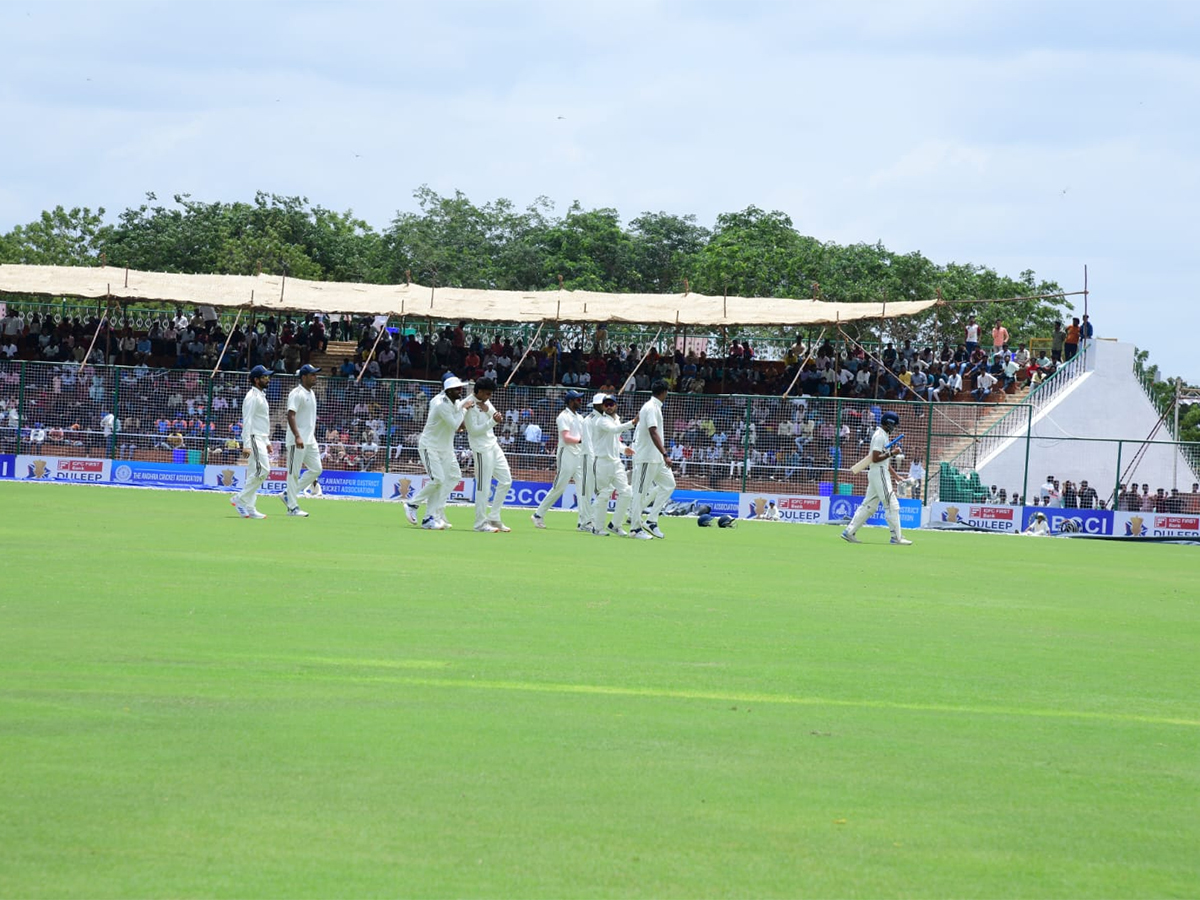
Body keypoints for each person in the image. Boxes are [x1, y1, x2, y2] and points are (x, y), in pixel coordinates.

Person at [404, 376, 468, 530]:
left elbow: (460, 420)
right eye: (458, 389)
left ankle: (431, 517)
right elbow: (456, 425)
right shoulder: (441, 404)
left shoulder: (454, 402)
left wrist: (464, 407)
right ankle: (412, 504)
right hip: (430, 446)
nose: (461, 391)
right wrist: (465, 409)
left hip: (446, 448)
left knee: (453, 477)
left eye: (461, 388)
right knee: (438, 480)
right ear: (449, 391)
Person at [840, 410, 910, 545]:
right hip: (879, 472)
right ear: (888, 424)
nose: (894, 428)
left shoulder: (883, 435)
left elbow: (883, 461)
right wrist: (893, 453)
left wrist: (895, 476)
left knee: (869, 505)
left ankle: (849, 531)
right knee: (892, 504)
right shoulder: (879, 436)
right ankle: (896, 537)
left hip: (877, 472)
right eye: (894, 425)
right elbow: (876, 458)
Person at [462, 377, 512, 533]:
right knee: (483, 486)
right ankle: (480, 524)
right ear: (480, 391)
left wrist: (493, 413)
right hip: (481, 449)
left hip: (493, 445)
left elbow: (494, 414)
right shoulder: (468, 405)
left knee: (506, 480)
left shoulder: (485, 401)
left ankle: (494, 517)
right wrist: (493, 422)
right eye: (488, 394)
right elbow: (473, 431)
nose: (489, 397)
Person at [629, 380, 677, 540]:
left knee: (669, 485)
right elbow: (653, 431)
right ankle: (635, 529)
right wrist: (665, 454)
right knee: (639, 493)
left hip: (655, 459)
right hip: (646, 458)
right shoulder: (650, 407)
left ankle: (651, 520)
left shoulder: (653, 407)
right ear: (664, 392)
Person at [531, 390, 586, 529]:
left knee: (583, 489)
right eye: (577, 400)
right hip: (566, 454)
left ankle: (583, 522)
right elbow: (567, 438)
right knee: (559, 488)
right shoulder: (563, 416)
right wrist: (581, 441)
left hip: (579, 456)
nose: (580, 402)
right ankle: (538, 515)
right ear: (570, 401)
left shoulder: (580, 417)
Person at [589, 393, 638, 536]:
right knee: (604, 495)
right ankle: (597, 528)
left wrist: (623, 449)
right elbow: (614, 430)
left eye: (611, 404)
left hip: (616, 462)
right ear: (603, 407)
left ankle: (615, 525)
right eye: (606, 405)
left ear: (616, 405)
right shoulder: (601, 421)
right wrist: (633, 422)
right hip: (602, 462)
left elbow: (614, 440)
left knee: (627, 492)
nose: (609, 407)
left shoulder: (616, 420)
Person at [231, 365, 273, 518]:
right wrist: (247, 444)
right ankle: (240, 498)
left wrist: (267, 441)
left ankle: (250, 507)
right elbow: (247, 421)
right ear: (256, 380)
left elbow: (261, 420)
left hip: (261, 437)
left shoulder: (261, 395)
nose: (268, 379)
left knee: (254, 473)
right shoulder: (251, 397)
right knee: (263, 470)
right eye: (264, 377)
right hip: (254, 438)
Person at [282, 364, 322, 517]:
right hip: (296, 440)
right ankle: (292, 507)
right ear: (304, 377)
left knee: (317, 469)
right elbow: (290, 415)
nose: (315, 377)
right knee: (293, 473)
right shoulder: (296, 393)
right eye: (312, 375)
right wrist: (297, 435)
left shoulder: (311, 393)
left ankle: (288, 494)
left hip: (310, 440)